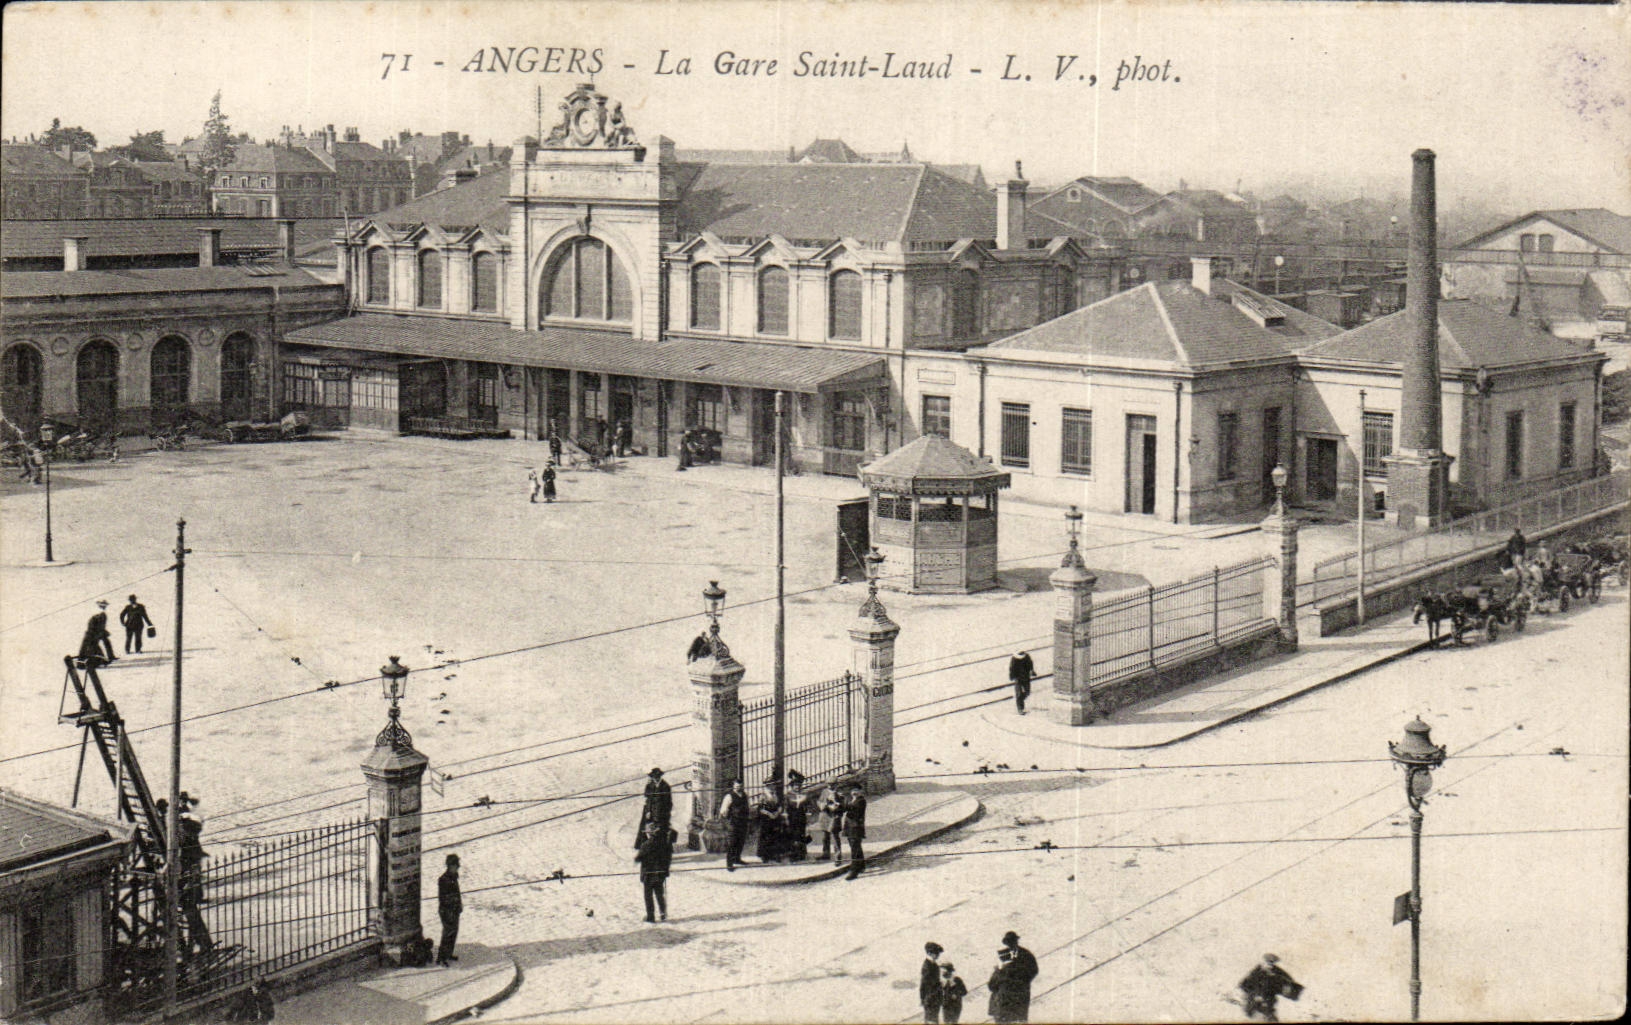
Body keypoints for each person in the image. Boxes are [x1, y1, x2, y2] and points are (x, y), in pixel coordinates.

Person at [179, 793, 212, 955]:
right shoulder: (185, 833)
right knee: (191, 912)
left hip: (182, 879)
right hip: (184, 880)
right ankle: (201, 944)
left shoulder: (181, 830)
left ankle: (196, 944)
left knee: (190, 911)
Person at [988, 932, 1038, 1023]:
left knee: (1018, 1019)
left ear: (1016, 941)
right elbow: (993, 982)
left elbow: (1034, 970)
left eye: (1012, 941)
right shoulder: (1003, 956)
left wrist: (1022, 981)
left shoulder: (1025, 954)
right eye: (1008, 942)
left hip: (1019, 995)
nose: (1010, 944)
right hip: (1004, 999)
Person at [634, 821, 676, 923]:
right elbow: (668, 858)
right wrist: (665, 871)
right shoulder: (663, 844)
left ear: (649, 833)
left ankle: (650, 916)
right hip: (660, 874)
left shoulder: (646, 845)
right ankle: (663, 914)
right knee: (659, 894)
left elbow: (638, 858)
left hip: (648, 875)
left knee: (648, 896)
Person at [1238, 953, 1299, 1021]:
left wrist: (1286, 986)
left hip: (1269, 1004)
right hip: (1254, 1005)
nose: (1270, 966)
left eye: (1272, 963)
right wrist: (1253, 995)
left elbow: (1289, 981)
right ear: (1263, 961)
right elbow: (1244, 985)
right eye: (1268, 963)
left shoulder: (1276, 971)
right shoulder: (1256, 972)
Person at [635, 767, 673, 845]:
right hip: (650, 810)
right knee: (647, 829)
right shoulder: (650, 784)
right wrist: (648, 811)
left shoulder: (665, 786)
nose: (655, 779)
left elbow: (668, 802)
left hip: (661, 812)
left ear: (660, 777)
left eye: (657, 777)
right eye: (653, 777)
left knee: (661, 830)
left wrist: (666, 813)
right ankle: (646, 846)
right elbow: (647, 796)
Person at [437, 854, 462, 966]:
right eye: (456, 865)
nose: (458, 867)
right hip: (447, 911)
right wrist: (451, 905)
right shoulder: (443, 879)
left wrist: (459, 904)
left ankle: (449, 954)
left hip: (454, 909)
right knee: (447, 934)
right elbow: (443, 898)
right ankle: (441, 958)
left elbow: (457, 893)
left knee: (454, 932)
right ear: (450, 865)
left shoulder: (454, 877)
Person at [719, 780, 750, 871]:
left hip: (743, 822)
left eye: (740, 786)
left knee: (741, 841)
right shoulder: (729, 796)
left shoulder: (745, 795)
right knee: (732, 843)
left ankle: (737, 858)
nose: (738, 788)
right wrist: (727, 820)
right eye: (736, 786)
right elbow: (723, 810)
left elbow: (748, 806)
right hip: (733, 822)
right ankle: (729, 864)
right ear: (733, 786)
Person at [78, 601, 116, 667]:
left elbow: (100, 625)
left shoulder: (101, 614)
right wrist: (100, 633)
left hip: (94, 633)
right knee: (91, 647)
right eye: (102, 605)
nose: (104, 607)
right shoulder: (100, 614)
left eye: (104, 606)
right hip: (92, 634)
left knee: (91, 647)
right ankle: (86, 662)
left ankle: (98, 660)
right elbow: (96, 625)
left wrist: (101, 632)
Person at [754, 785, 786, 864]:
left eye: (773, 786)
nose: (772, 787)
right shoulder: (763, 796)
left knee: (776, 836)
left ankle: (775, 855)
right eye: (769, 786)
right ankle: (765, 856)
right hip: (766, 819)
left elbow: (780, 806)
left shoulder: (776, 795)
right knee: (766, 837)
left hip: (775, 818)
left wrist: (778, 812)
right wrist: (768, 814)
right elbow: (760, 809)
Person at [842, 783, 867, 879]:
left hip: (856, 827)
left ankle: (854, 870)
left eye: (856, 790)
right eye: (852, 790)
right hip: (849, 826)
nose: (854, 792)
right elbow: (844, 808)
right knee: (855, 846)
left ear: (860, 791)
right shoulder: (849, 799)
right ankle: (861, 865)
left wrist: (845, 806)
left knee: (854, 848)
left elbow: (854, 811)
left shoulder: (861, 801)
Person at [783, 773, 809, 862]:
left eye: (799, 785)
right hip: (792, 817)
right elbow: (786, 807)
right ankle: (793, 854)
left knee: (801, 834)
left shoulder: (804, 794)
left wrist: (807, 812)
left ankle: (801, 853)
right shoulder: (788, 795)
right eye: (795, 786)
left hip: (801, 817)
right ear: (792, 786)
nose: (797, 787)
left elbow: (807, 806)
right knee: (792, 835)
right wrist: (786, 817)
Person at [814, 784, 843, 862]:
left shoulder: (839, 793)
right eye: (829, 785)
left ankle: (838, 856)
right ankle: (826, 854)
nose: (830, 787)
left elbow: (842, 806)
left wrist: (837, 804)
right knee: (825, 837)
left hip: (834, 817)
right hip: (825, 817)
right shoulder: (824, 792)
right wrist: (826, 802)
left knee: (835, 837)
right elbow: (820, 803)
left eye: (833, 785)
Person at [919, 941, 944, 1023]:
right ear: (929, 953)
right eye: (935, 953)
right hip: (931, 1000)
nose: (937, 956)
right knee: (931, 1021)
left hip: (935, 999)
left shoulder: (934, 965)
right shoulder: (927, 967)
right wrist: (923, 999)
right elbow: (925, 985)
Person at [1008, 651, 1035, 715]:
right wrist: (1012, 676)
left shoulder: (1027, 657)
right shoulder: (1014, 659)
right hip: (1018, 678)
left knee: (1027, 692)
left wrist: (1031, 671)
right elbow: (1011, 668)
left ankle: (1020, 700)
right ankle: (1020, 708)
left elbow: (1030, 664)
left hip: (1026, 677)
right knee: (1019, 693)